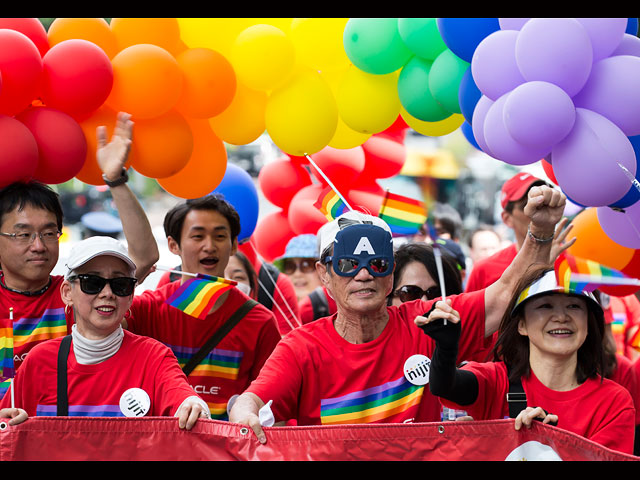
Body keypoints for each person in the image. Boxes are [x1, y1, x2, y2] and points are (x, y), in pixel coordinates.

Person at [229, 184, 566, 444]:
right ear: (325, 274)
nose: (364, 275)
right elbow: (252, 400)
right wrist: (245, 414)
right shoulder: (301, 348)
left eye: (377, 263)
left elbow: (505, 291)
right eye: (348, 264)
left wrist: (540, 231)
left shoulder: (426, 322)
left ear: (390, 274)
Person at [0, 112, 159, 397]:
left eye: (49, 233)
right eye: (23, 234)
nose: (39, 245)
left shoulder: (79, 294)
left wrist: (116, 180)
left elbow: (144, 258)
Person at [421, 265, 635, 454]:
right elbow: (445, 385)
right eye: (545, 306)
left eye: (574, 306)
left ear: (589, 323)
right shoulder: (496, 381)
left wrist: (552, 445)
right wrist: (446, 348)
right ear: (521, 325)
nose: (561, 316)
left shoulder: (614, 402)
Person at [0, 236, 209, 430]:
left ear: (130, 296)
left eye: (120, 284)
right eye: (92, 283)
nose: (107, 293)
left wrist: (193, 405)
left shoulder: (154, 357)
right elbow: (6, 423)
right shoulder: (41, 360)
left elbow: (182, 398)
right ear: (67, 293)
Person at [123, 194, 281, 420]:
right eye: (197, 236)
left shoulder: (259, 321)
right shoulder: (149, 309)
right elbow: (95, 325)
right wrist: (116, 183)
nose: (209, 246)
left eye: (219, 236)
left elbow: (271, 404)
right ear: (173, 245)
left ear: (234, 245)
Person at [274, 234, 322, 302]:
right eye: (290, 266)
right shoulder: (276, 310)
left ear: (323, 270)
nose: (297, 274)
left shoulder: (340, 311)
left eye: (307, 265)